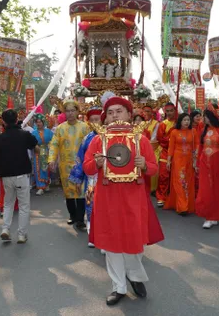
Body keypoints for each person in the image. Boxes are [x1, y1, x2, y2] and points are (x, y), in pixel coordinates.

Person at [83, 96, 164, 306]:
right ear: (105, 118)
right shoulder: (97, 140)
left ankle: (135, 277)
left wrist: (145, 164)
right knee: (111, 244)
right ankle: (118, 286)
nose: (114, 115)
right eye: (110, 112)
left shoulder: (141, 139)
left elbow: (154, 169)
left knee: (134, 242)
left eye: (119, 111)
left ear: (129, 115)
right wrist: (97, 162)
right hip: (107, 198)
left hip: (133, 198)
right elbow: (87, 167)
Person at [0, 109, 38, 243]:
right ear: (17, 118)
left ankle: (5, 229)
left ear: (3, 121)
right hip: (21, 174)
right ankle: (21, 234)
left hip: (6, 176)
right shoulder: (24, 134)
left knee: (8, 203)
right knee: (24, 205)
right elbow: (34, 145)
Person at [48, 98, 90, 231]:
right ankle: (72, 215)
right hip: (65, 166)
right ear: (64, 113)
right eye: (68, 111)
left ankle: (80, 219)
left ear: (78, 111)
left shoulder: (85, 127)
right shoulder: (60, 128)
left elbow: (90, 144)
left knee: (82, 192)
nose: (70, 113)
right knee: (69, 193)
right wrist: (51, 160)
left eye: (73, 110)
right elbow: (54, 145)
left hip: (81, 165)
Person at [69, 106, 103, 247]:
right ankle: (92, 236)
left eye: (98, 119)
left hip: (106, 178)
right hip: (91, 179)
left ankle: (105, 237)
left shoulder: (110, 136)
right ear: (89, 122)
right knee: (90, 207)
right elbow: (81, 159)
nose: (95, 122)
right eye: (92, 120)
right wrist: (78, 178)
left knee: (104, 208)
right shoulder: (87, 139)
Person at [166, 113, 198, 215]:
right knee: (180, 182)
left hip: (189, 160)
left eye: (188, 120)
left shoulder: (193, 131)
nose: (186, 122)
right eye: (184, 120)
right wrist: (168, 160)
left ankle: (187, 204)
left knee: (188, 182)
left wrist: (196, 158)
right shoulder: (174, 132)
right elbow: (171, 148)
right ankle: (182, 207)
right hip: (178, 160)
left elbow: (197, 145)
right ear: (180, 121)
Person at [156, 102, 177, 207]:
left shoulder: (179, 123)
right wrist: (171, 140)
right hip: (165, 152)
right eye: (167, 111)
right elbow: (161, 140)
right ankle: (161, 197)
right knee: (163, 175)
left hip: (178, 152)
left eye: (171, 111)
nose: (169, 113)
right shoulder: (163, 124)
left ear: (175, 110)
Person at [32, 113, 54, 195]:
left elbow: (53, 141)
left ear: (43, 122)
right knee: (38, 169)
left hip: (47, 152)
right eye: (37, 122)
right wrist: (35, 146)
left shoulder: (49, 131)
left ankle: (46, 184)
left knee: (47, 169)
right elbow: (31, 142)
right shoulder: (33, 133)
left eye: (40, 122)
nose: (38, 123)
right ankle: (40, 187)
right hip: (38, 152)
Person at [142, 104, 160, 194]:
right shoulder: (141, 123)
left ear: (152, 113)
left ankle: (153, 188)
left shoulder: (156, 123)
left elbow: (154, 137)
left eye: (148, 111)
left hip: (152, 147)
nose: (146, 113)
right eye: (144, 111)